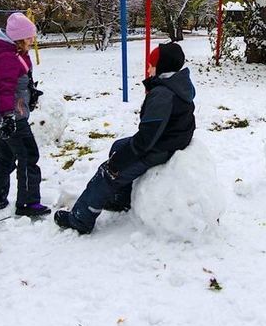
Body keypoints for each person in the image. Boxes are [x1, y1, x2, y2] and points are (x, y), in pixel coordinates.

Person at [54, 42, 195, 234]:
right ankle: (121, 198)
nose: (148, 68)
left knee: (107, 172)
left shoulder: (163, 94)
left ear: (161, 67)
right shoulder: (177, 84)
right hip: (168, 140)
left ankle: (81, 219)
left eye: (151, 64)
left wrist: (119, 162)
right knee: (117, 145)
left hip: (158, 148)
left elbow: (146, 139)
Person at [0, 12, 49, 217]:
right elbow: (5, 89)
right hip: (12, 116)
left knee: (6, 155)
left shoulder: (16, 54)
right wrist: (8, 117)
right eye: (29, 37)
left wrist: (30, 93)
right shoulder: (8, 58)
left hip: (14, 112)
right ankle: (28, 203)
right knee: (29, 155)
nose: (33, 40)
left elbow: (19, 82)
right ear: (18, 38)